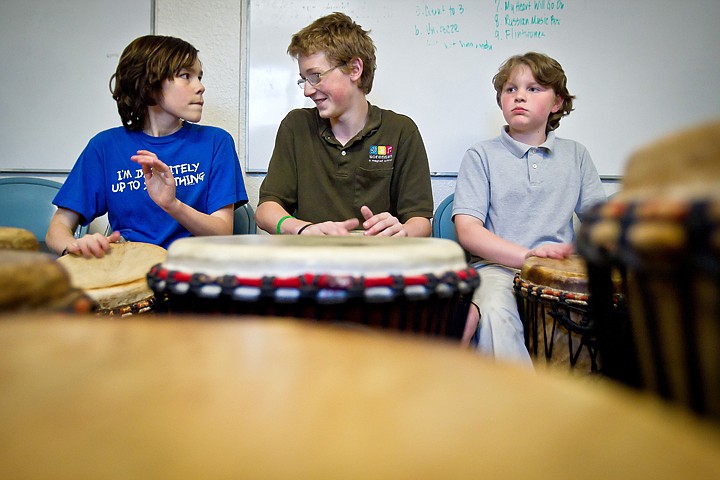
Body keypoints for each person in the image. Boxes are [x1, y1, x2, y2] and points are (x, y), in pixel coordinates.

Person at [452, 52, 606, 366]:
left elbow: (599, 223)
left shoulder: (576, 155)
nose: (519, 96)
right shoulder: (480, 155)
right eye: (510, 89)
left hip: (558, 274)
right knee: (496, 315)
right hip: (497, 269)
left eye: (533, 89)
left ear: (557, 103)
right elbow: (468, 231)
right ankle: (517, 410)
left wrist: (577, 253)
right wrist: (529, 257)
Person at [46, 35, 247, 258]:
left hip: (189, 274)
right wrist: (75, 246)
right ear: (149, 83)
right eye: (185, 76)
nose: (200, 87)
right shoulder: (104, 147)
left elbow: (223, 232)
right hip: (126, 270)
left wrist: (172, 204)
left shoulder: (216, 142)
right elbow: (58, 229)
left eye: (199, 76)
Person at [255, 12, 433, 237]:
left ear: (355, 69)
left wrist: (404, 231)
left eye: (316, 76)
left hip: (377, 262)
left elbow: (421, 221)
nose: (307, 90)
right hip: (310, 260)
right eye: (304, 79)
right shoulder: (296, 126)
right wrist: (304, 229)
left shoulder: (401, 131)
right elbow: (265, 211)